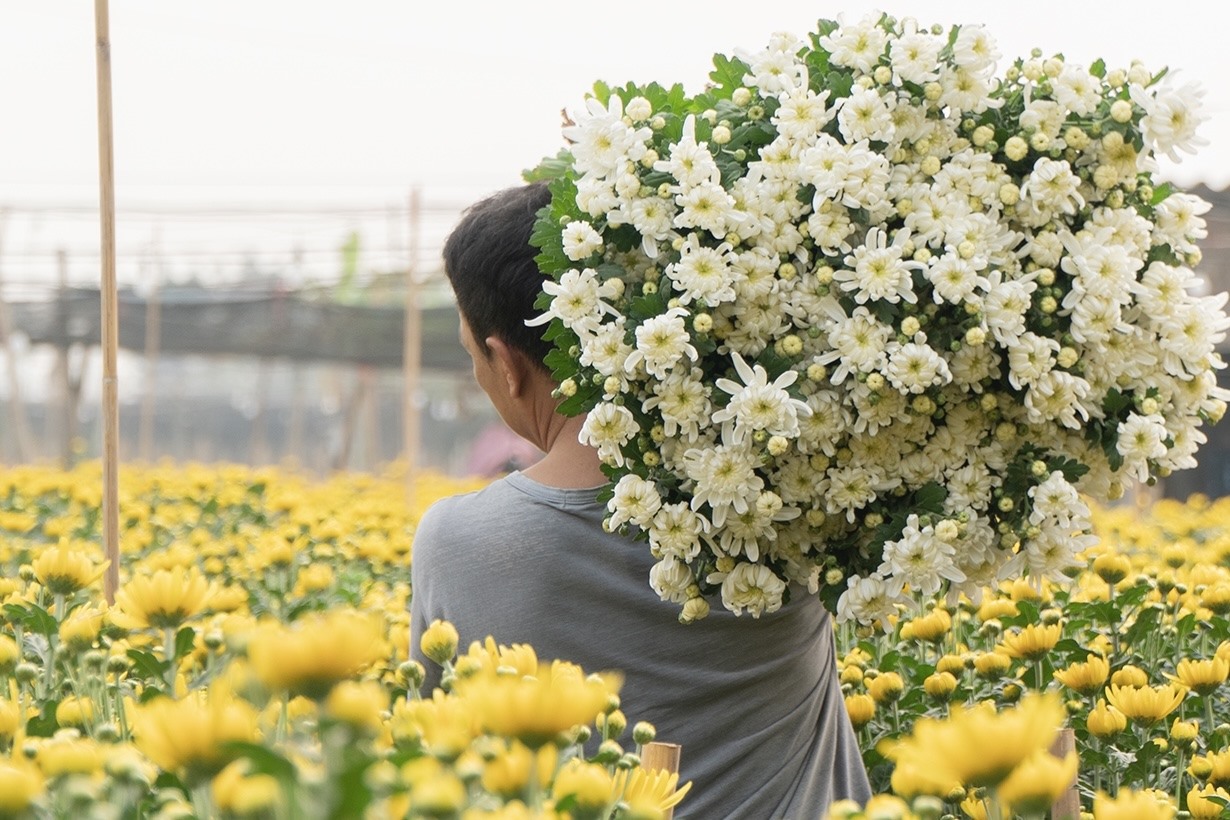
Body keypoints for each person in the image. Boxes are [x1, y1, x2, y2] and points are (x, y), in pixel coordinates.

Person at [409, 182, 872, 818]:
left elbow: (427, 758)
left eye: (472, 355)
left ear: (505, 362)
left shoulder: (458, 542)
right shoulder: (785, 504)